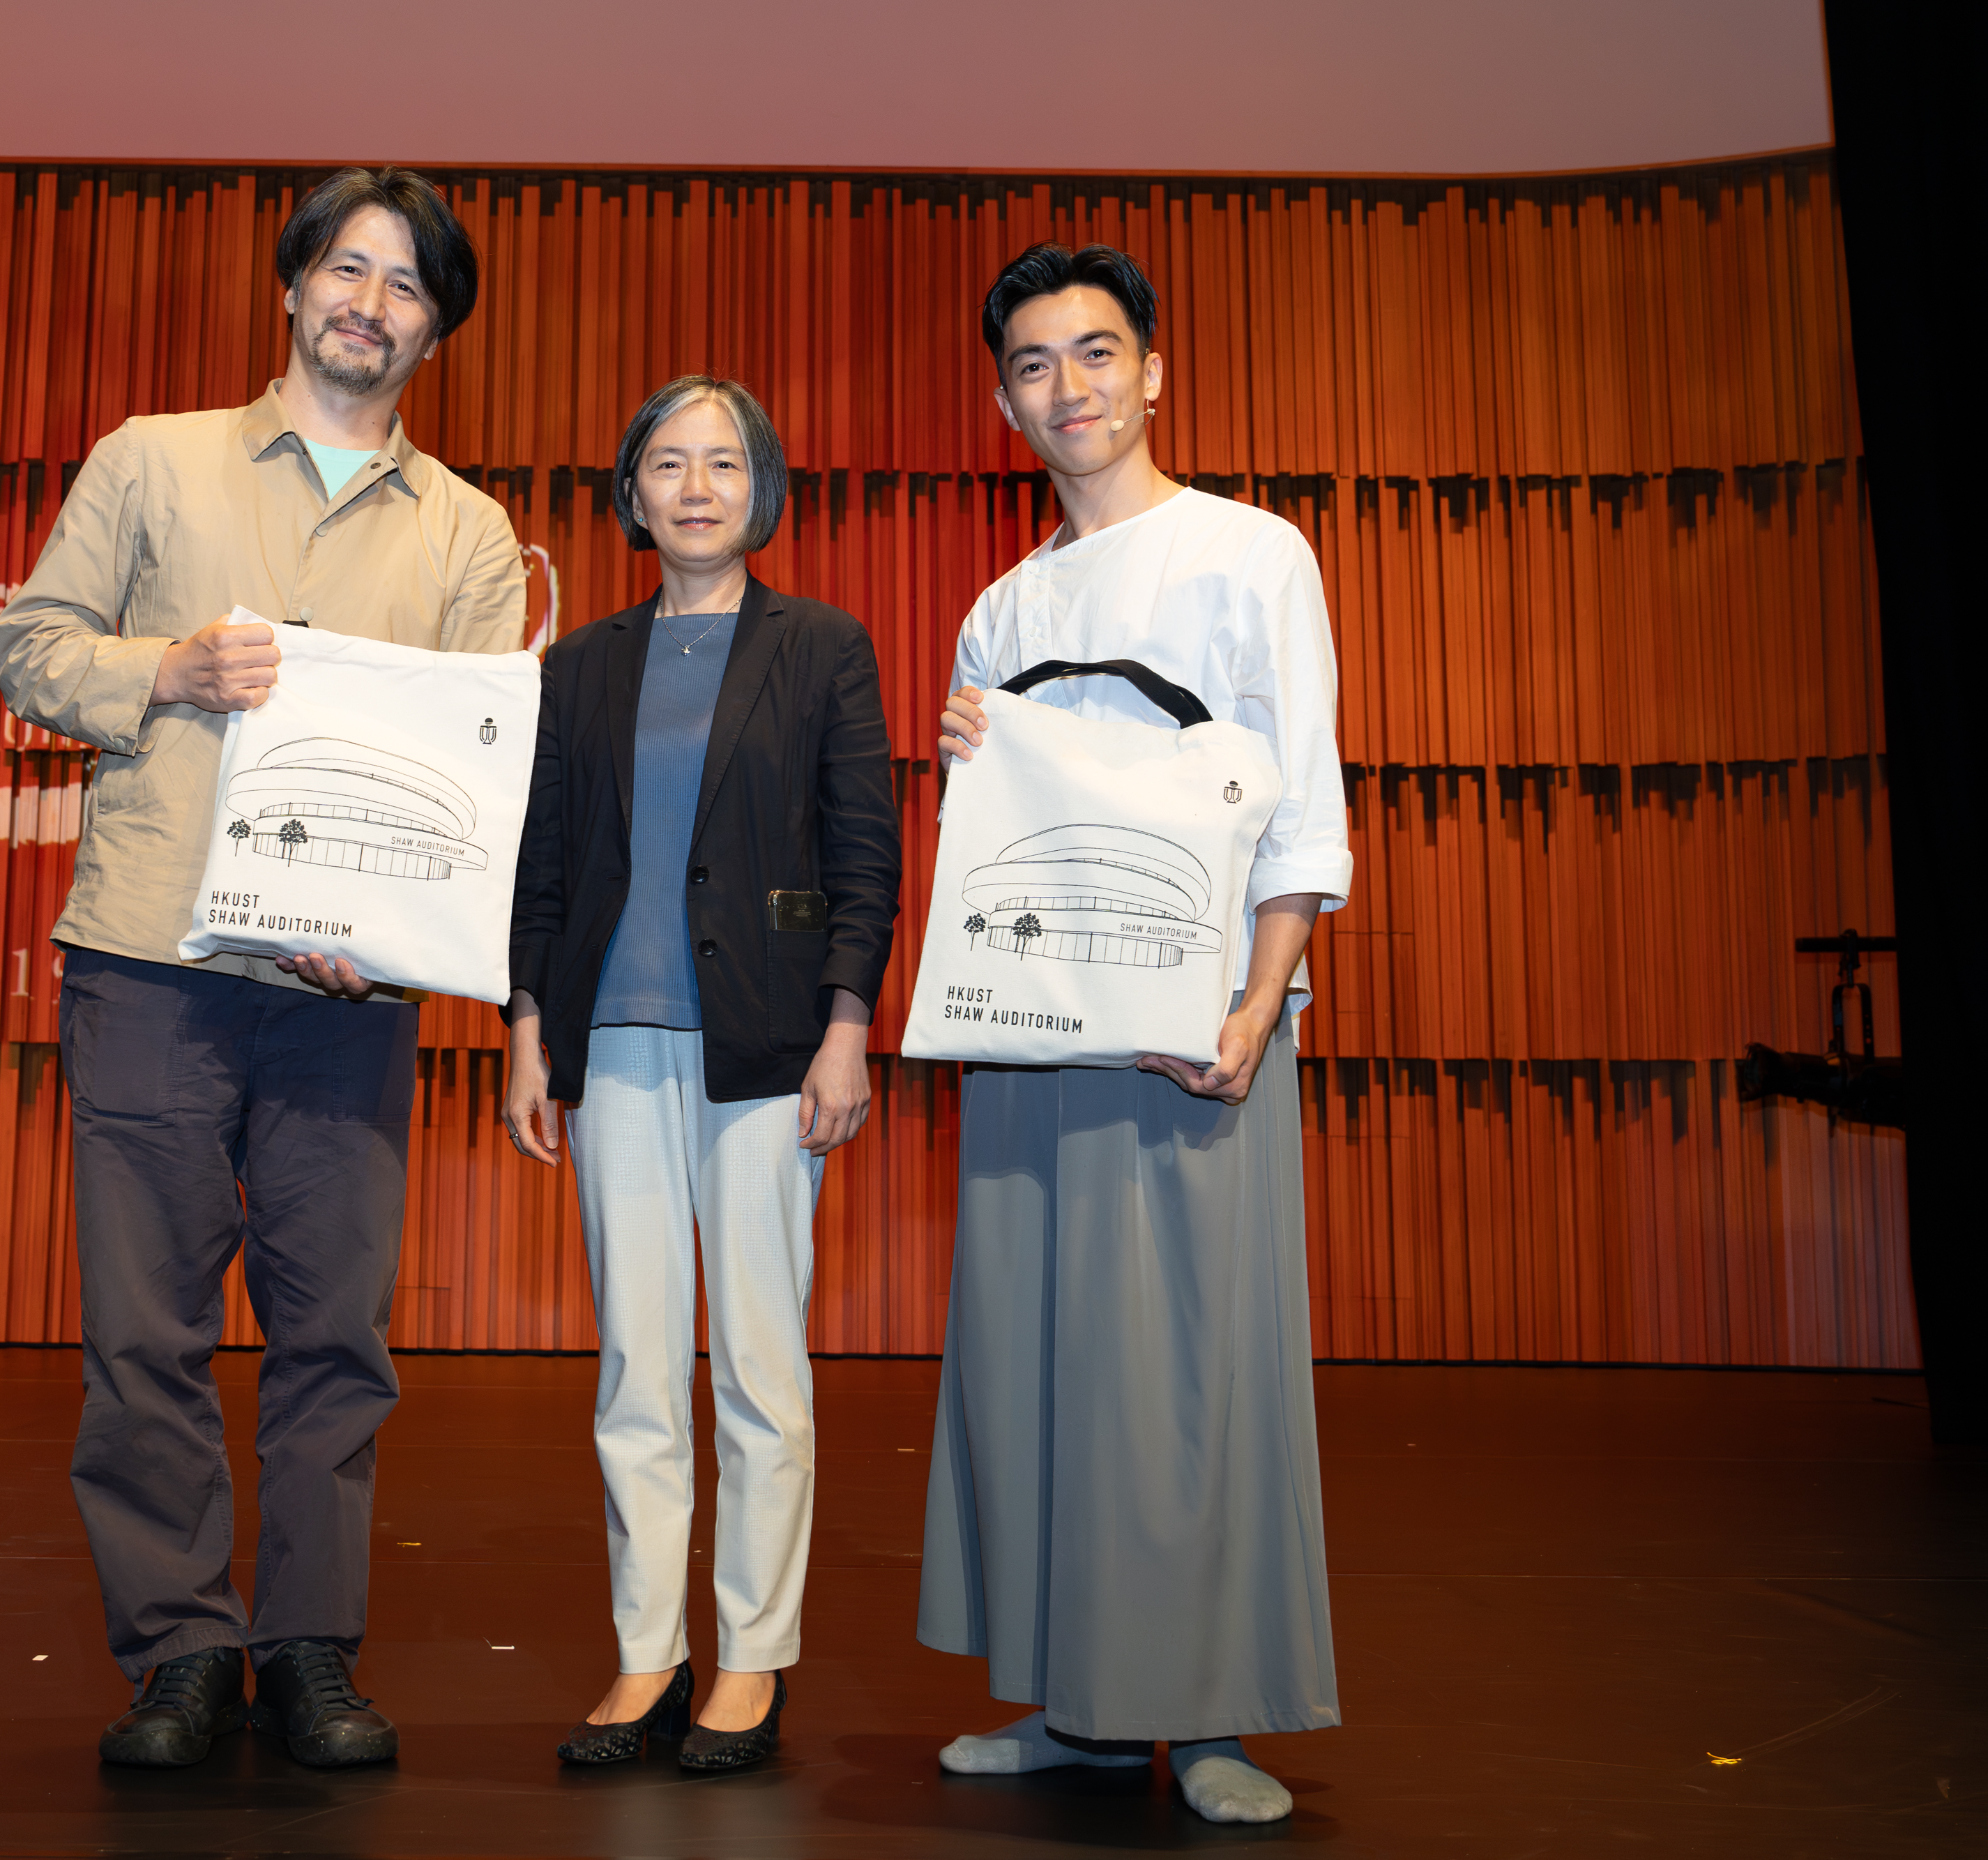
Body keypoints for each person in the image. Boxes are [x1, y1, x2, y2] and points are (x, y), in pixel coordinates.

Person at [0, 167, 528, 1771]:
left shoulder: (470, 533)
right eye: (347, 270)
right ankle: (175, 1649)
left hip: (344, 992)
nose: (371, 303)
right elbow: (30, 645)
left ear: (433, 329)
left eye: (407, 285)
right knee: (143, 1331)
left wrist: (392, 924)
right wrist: (168, 665)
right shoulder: (151, 460)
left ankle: (305, 1646)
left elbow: (480, 769)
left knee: (333, 1332)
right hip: (151, 959)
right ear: (292, 288)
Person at [916, 244, 1353, 1824]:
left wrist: (1256, 1000)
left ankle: (1209, 1709)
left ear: (1151, 369)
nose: (1068, 388)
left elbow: (1297, 795)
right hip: (1036, 1033)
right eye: (1033, 364)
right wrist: (970, 757)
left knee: (1190, 1372)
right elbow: (993, 847)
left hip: (1197, 1032)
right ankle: (1076, 1703)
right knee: (1038, 1370)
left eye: (1095, 353)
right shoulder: (999, 609)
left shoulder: (1251, 554)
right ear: (1001, 401)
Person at [499, 376, 901, 1772]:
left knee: (758, 1365)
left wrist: (846, 1022)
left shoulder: (822, 647)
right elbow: (540, 862)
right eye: (665, 463)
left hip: (765, 1047)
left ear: (762, 487)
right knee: (632, 1366)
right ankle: (641, 1653)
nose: (693, 485)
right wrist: (524, 1027)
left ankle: (750, 1657)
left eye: (721, 462)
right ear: (629, 492)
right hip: (610, 1042)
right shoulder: (583, 666)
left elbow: (863, 852)